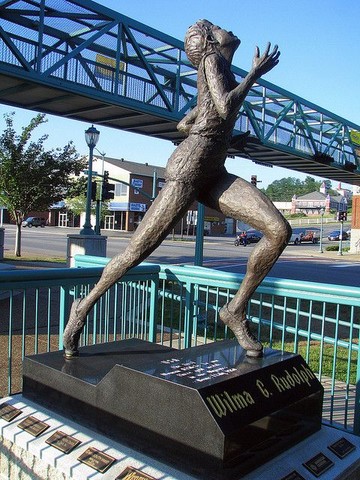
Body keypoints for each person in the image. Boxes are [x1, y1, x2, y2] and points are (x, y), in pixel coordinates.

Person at [63, 19, 291, 359]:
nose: (228, 28)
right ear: (212, 42)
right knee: (134, 254)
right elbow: (226, 107)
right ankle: (83, 307)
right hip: (188, 172)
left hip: (213, 172)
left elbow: (186, 122)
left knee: (279, 230)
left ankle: (235, 310)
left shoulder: (219, 71)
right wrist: (254, 76)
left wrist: (223, 137)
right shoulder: (213, 63)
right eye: (217, 27)